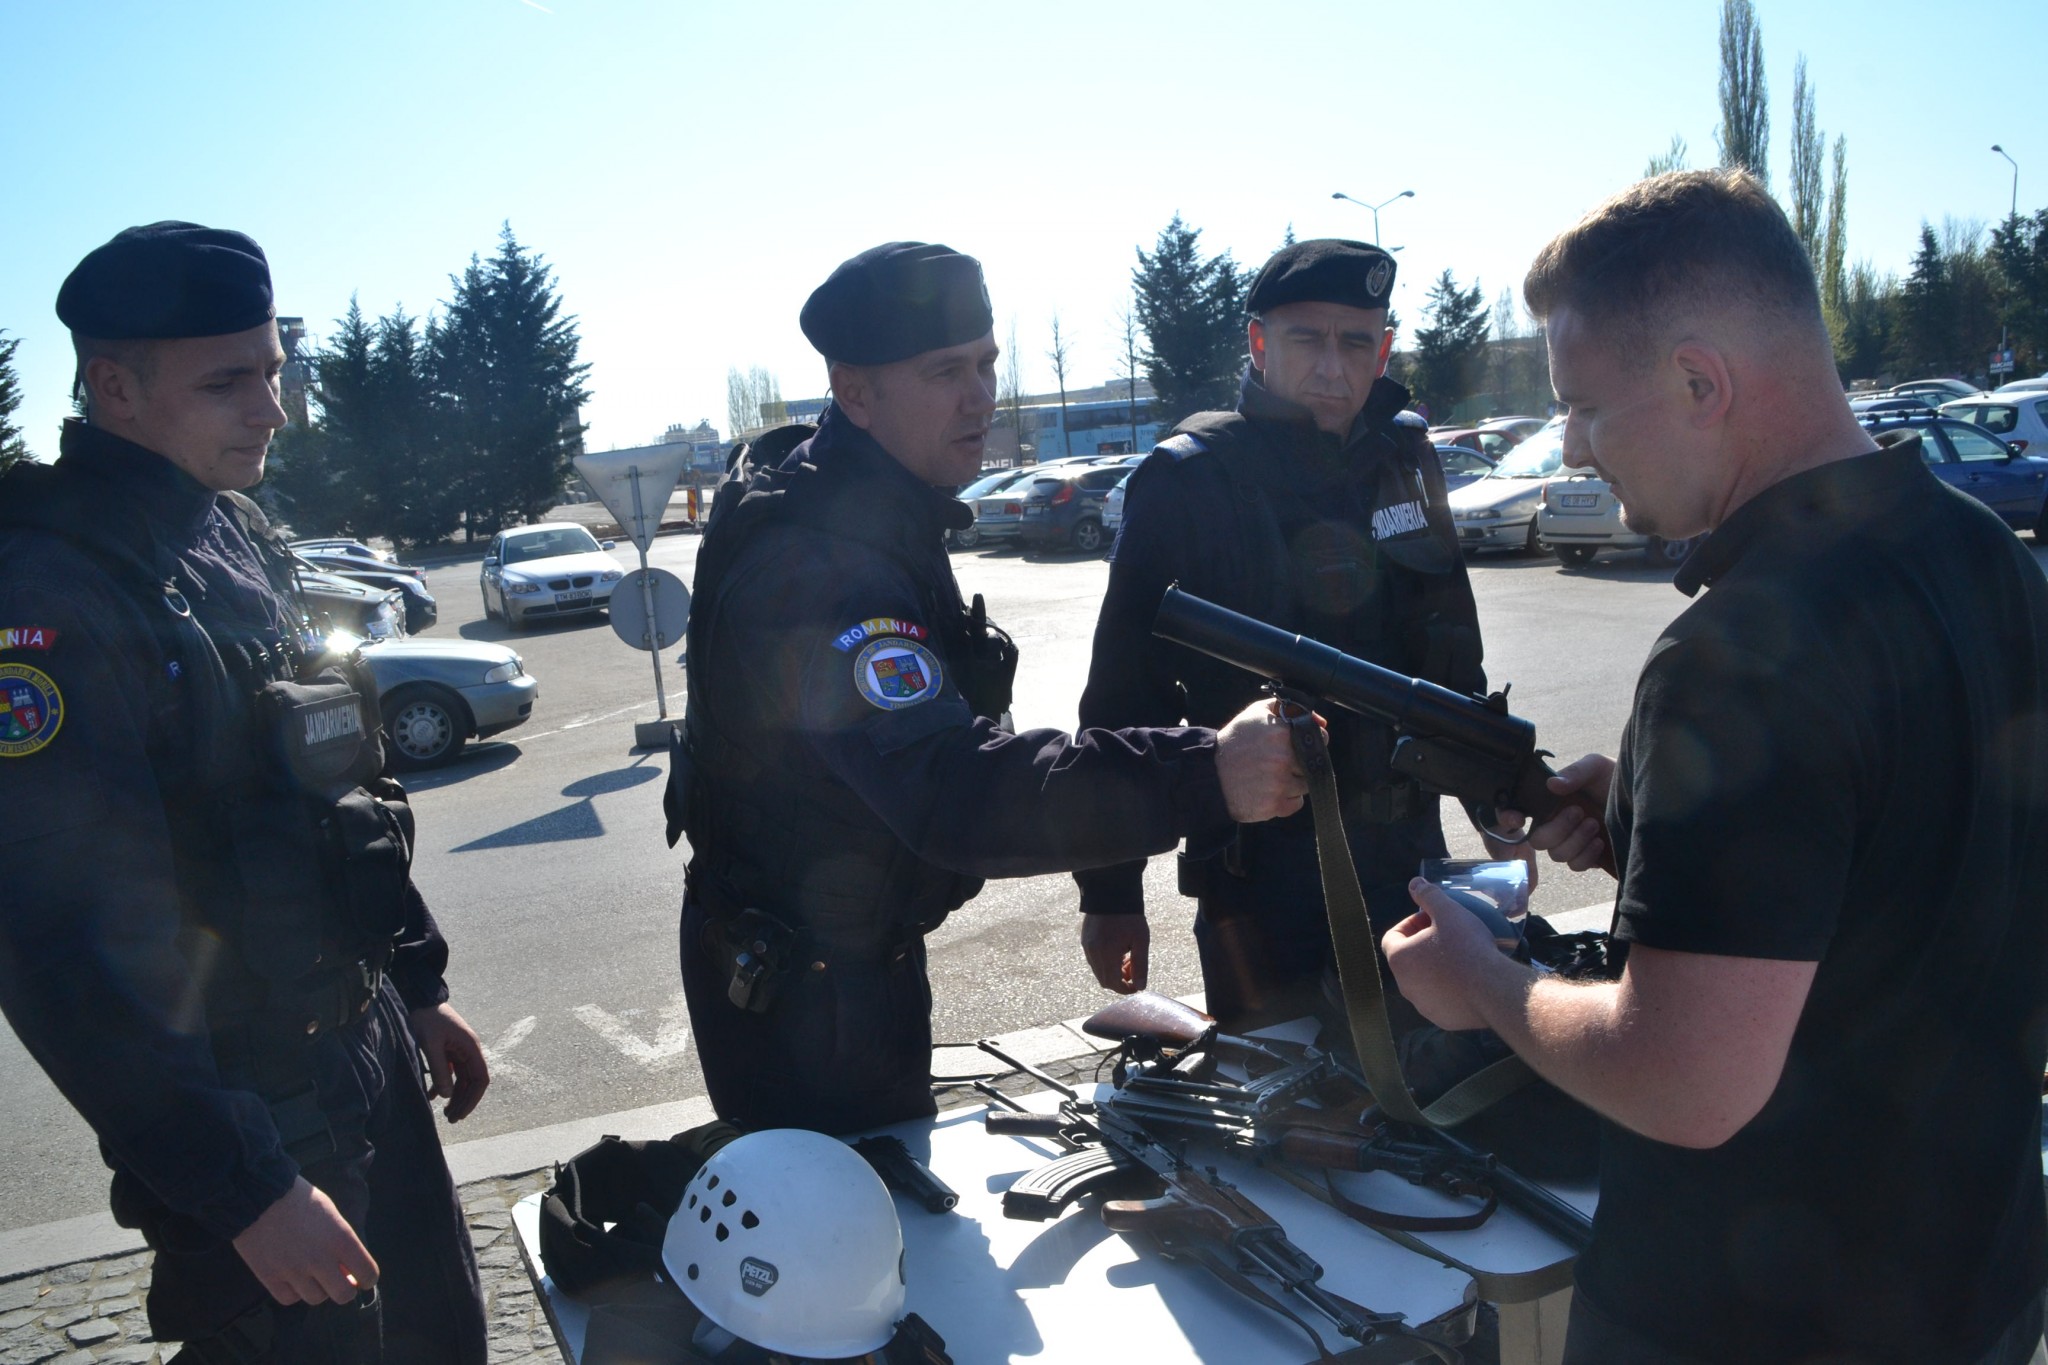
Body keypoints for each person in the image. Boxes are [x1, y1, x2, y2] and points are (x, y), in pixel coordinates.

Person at [1382, 170, 2048, 1365]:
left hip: (1754, 1316)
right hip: (1976, 1277)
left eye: (1584, 407)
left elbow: (1685, 1082)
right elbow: (1922, 857)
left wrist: (1482, 980)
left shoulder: (1735, 651)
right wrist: (1655, 824)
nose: (1571, 448)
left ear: (1699, 382)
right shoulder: (1983, 552)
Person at [671, 241, 1309, 1135]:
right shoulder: (822, 570)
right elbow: (955, 789)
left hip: (838, 958)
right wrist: (1206, 771)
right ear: (855, 392)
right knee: (848, 1207)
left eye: (986, 364)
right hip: (803, 996)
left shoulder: (864, 504)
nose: (980, 397)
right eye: (945, 373)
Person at [0, 223, 491, 1364]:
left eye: (274, 371)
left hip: (358, 1040)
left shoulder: (231, 529)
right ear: (115, 388)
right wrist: (243, 1187)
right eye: (227, 382)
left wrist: (414, 983)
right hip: (249, 1103)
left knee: (439, 1339)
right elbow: (65, 946)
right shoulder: (53, 590)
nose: (272, 409)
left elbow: (337, 783)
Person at [1073, 237, 1524, 1027]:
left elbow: (1453, 643)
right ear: (1258, 342)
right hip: (1262, 884)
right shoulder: (1188, 478)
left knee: (1433, 1080)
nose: (1333, 368)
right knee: (1284, 1089)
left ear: (1383, 350)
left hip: (1409, 862)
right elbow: (1121, 699)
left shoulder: (1405, 455)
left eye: (1356, 343)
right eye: (1307, 339)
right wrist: (1110, 893)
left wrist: (1497, 795)